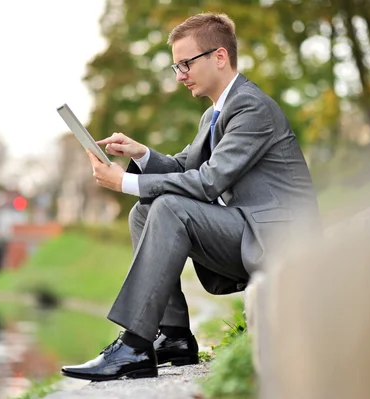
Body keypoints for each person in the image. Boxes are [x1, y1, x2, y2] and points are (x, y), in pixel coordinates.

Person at [61, 12, 320, 381]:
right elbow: (185, 166)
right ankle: (176, 336)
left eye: (185, 63)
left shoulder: (252, 107)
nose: (180, 74)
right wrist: (141, 156)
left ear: (219, 57)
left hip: (279, 241)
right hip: (249, 230)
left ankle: (135, 345)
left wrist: (125, 183)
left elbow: (209, 182)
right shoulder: (214, 115)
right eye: (176, 65)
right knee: (143, 212)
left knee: (168, 207)